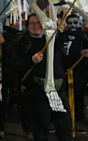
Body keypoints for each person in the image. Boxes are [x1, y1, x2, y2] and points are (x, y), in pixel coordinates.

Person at [15, 13, 72, 141]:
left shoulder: (52, 41)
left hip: (58, 90)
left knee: (65, 125)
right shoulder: (23, 43)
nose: (36, 26)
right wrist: (31, 60)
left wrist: (81, 54)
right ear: (27, 26)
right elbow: (15, 65)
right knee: (41, 127)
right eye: (32, 23)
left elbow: (64, 61)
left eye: (39, 23)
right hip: (37, 92)